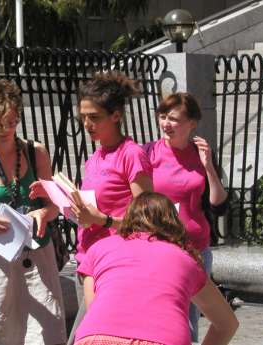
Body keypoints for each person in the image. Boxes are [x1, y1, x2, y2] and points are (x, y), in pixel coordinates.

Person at [30, 71, 153, 344]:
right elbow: (87, 212)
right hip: (88, 260)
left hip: (115, 264)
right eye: (83, 117)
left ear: (116, 115)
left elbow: (150, 220)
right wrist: (55, 196)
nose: (87, 124)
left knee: (91, 337)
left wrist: (105, 220)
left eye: (94, 117)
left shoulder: (131, 155)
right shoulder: (97, 156)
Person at [0, 79, 66, 345]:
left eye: (11, 121)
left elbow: (55, 204)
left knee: (47, 332)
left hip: (37, 254)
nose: (5, 129)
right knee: (2, 332)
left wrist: (44, 214)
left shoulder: (35, 152)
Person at [75, 191, 238, 345]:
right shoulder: (186, 260)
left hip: (96, 337)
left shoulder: (99, 249)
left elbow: (93, 308)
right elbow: (227, 324)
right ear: (174, 223)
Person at [144, 92, 229, 342]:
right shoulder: (148, 153)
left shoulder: (201, 154)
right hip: (159, 248)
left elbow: (219, 205)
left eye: (173, 119)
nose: (166, 124)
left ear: (192, 123)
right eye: (162, 117)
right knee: (160, 314)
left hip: (195, 250)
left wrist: (209, 167)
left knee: (188, 319)